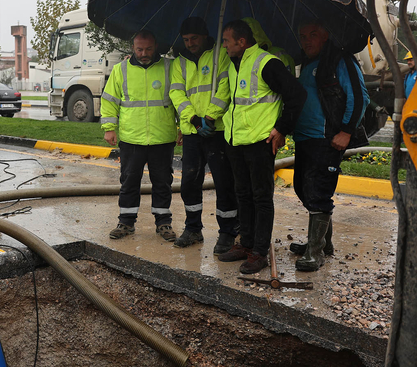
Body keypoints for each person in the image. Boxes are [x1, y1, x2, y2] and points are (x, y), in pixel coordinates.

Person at [217, 19, 305, 274]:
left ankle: (259, 251)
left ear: (241, 42)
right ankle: (245, 244)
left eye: (226, 41)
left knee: (261, 198)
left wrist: (281, 129)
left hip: (259, 142)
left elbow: (297, 95)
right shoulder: (235, 64)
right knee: (242, 194)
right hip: (236, 141)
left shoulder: (267, 63)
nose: (223, 46)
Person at [291, 20, 369, 271]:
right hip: (305, 138)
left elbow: (360, 98)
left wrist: (346, 131)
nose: (307, 40)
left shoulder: (340, 60)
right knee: (303, 190)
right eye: (303, 35)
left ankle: (315, 253)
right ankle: (322, 243)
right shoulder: (308, 63)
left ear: (326, 37)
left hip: (326, 139)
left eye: (313, 34)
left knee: (318, 193)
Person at [100, 30, 178, 242]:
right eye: (139, 49)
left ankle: (163, 223)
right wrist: (109, 127)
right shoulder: (121, 70)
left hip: (162, 137)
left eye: (149, 49)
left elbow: (179, 98)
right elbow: (109, 100)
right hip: (131, 138)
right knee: (129, 181)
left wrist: (182, 127)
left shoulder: (170, 68)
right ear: (132, 48)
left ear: (156, 47)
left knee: (162, 182)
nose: (144, 53)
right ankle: (126, 221)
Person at [168, 17, 238, 253]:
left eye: (194, 38)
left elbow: (226, 88)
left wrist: (210, 117)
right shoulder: (179, 62)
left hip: (216, 131)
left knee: (224, 182)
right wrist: (195, 120)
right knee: (189, 182)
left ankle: (228, 232)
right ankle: (193, 229)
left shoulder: (222, 55)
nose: (190, 43)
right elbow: (177, 94)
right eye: (186, 40)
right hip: (192, 132)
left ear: (206, 35)